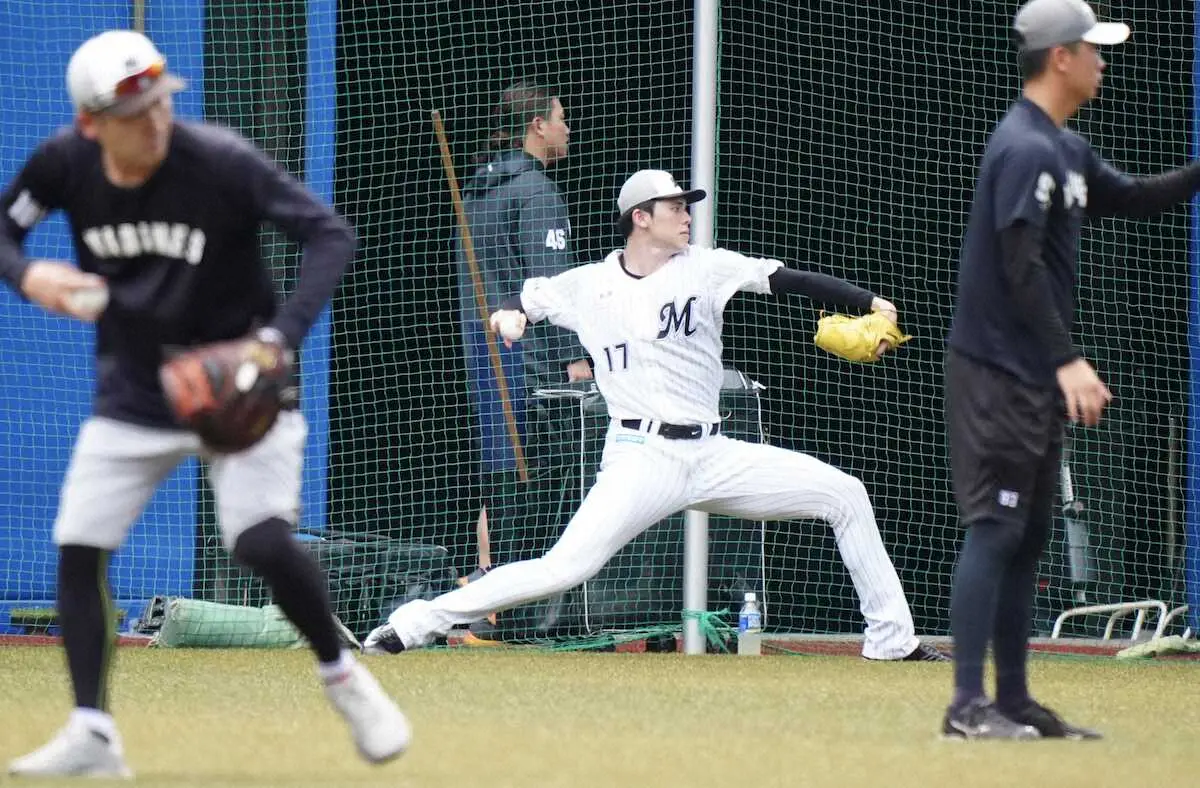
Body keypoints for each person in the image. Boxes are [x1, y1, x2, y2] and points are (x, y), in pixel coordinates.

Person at [0, 31, 409, 777]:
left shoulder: (218, 160)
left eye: (162, 103)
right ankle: (92, 731)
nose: (156, 121)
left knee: (256, 542)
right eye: (136, 113)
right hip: (136, 386)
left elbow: (329, 235)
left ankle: (344, 677)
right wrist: (28, 276)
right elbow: (4, 232)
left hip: (240, 384)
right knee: (79, 546)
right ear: (91, 123)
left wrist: (278, 339)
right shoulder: (62, 163)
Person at [366, 168, 945, 661]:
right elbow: (522, 303)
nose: (687, 214)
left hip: (715, 453)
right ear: (641, 216)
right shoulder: (588, 284)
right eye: (675, 206)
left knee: (845, 495)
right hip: (643, 457)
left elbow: (785, 279)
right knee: (564, 567)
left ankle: (892, 638)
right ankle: (416, 622)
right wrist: (510, 318)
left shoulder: (705, 267)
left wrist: (868, 302)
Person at [943, 0, 1200, 739]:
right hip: (995, 370)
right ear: (1061, 57)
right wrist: (1069, 362)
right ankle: (966, 708)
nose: (1103, 60)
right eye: (1094, 48)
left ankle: (1015, 702)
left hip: (1026, 375)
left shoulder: (1064, 147)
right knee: (994, 528)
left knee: (1026, 538)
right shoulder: (1022, 147)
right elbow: (1020, 268)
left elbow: (1137, 197)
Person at [455, 82, 591, 640]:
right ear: (537, 125)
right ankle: (519, 610)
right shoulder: (535, 193)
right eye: (560, 118)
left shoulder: (477, 191)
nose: (567, 128)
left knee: (498, 478)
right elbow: (551, 287)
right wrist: (575, 359)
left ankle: (488, 597)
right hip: (531, 365)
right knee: (543, 483)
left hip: (484, 357)